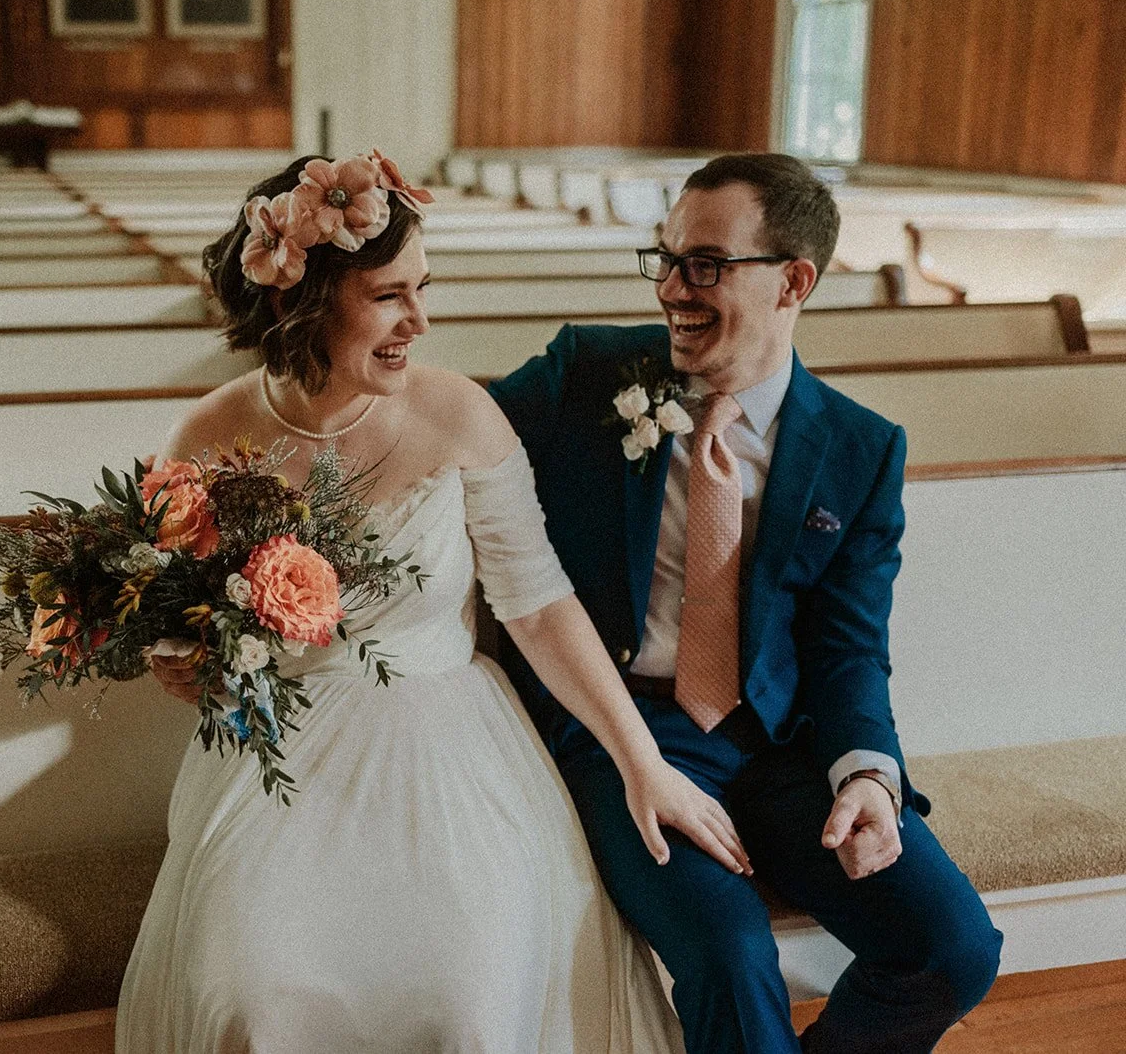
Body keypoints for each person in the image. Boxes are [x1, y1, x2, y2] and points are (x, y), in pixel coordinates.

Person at [116, 153, 748, 1051]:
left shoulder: (459, 416)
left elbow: (538, 606)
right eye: (388, 296)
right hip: (277, 760)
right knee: (257, 998)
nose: (420, 320)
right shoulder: (207, 435)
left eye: (423, 289)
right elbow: (168, 608)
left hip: (452, 746)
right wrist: (175, 655)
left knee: (466, 1002)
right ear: (306, 299)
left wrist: (642, 762)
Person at [488, 153, 1003, 1053]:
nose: (674, 291)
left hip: (783, 747)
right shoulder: (585, 374)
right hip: (627, 734)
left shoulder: (861, 448)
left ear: (793, 281)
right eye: (667, 259)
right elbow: (447, 436)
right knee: (729, 952)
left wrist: (870, 778)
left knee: (952, 948)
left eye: (707, 265)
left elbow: (849, 650)